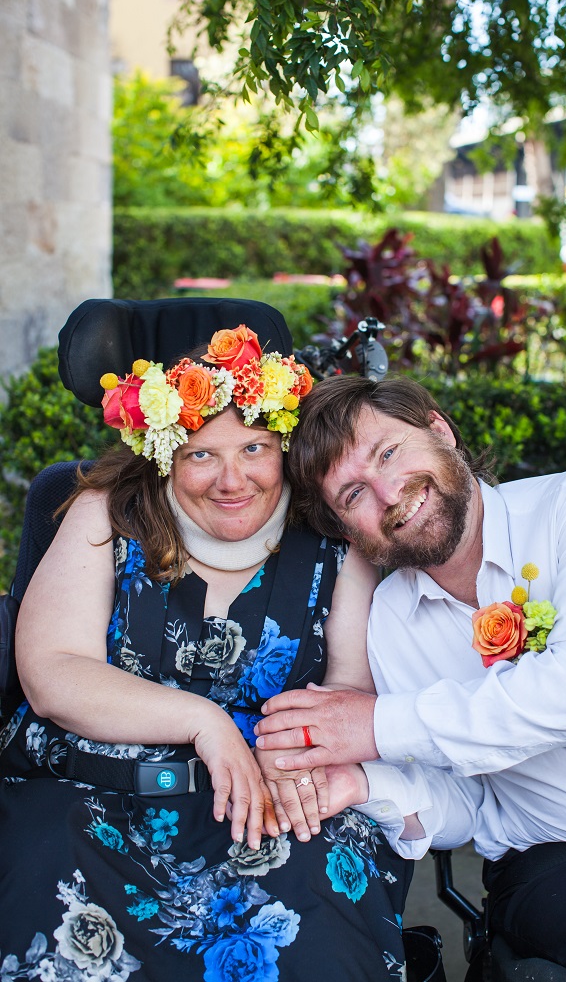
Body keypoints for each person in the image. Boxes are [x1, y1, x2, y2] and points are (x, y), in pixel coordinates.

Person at [0, 329, 413, 982]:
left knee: (317, 937)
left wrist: (288, 750)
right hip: (97, 792)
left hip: (275, 788)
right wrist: (206, 722)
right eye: (201, 455)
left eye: (255, 448)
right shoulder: (106, 514)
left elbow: (352, 687)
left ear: (285, 446)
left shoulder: (335, 539)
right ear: (164, 455)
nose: (232, 480)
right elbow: (53, 671)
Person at [255, 373, 566, 982]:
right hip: (562, 867)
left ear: (439, 429)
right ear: (349, 533)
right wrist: (363, 787)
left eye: (389, 452)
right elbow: (469, 805)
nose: (388, 493)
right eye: (352, 495)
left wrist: (375, 726)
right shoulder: (389, 624)